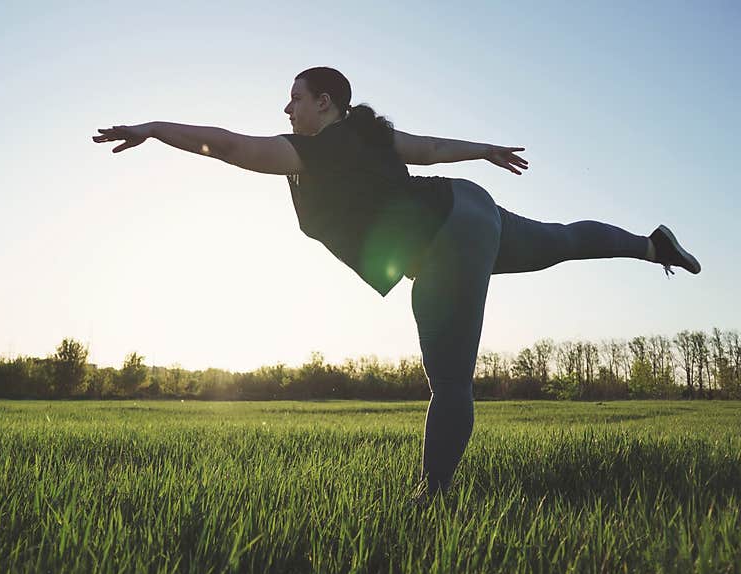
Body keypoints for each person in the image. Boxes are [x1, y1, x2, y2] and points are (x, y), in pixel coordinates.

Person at [92, 66, 701, 504]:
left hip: (445, 242)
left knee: (451, 381)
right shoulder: (370, 136)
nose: (287, 109)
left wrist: (152, 128)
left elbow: (224, 146)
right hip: (468, 210)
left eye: (295, 98)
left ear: (324, 102)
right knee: (562, 241)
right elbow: (430, 149)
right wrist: (482, 150)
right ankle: (653, 246)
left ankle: (431, 500)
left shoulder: (314, 152)